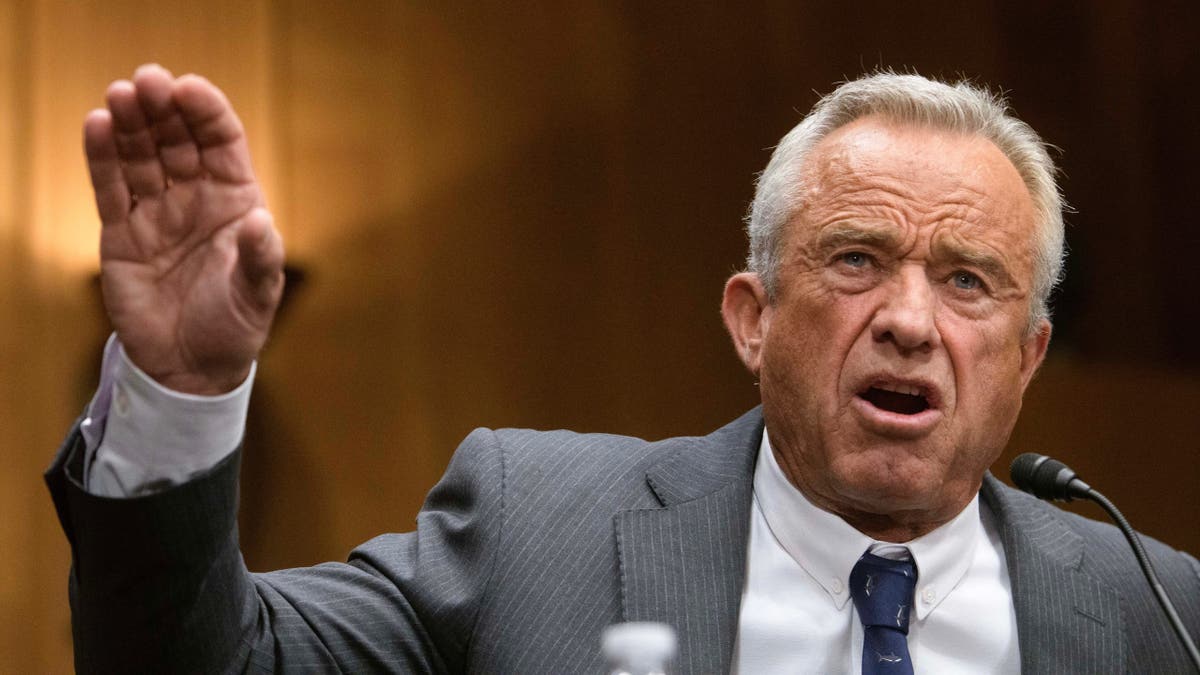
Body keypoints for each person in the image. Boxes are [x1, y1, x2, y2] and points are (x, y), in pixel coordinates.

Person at [46, 64, 1199, 673]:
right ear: (752, 320)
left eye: (966, 281)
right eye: (856, 260)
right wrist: (182, 390)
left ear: (1029, 356)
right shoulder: (533, 533)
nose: (908, 320)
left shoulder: (1163, 618)